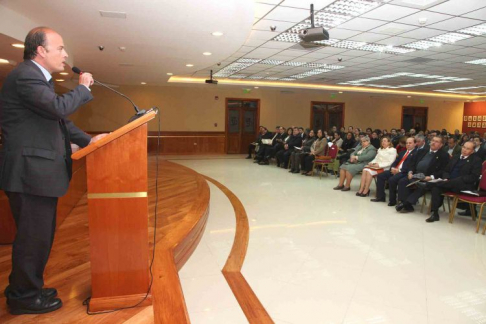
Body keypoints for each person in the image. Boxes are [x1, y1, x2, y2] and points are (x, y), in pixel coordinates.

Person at [0, 27, 107, 315]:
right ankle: (23, 297)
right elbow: (59, 109)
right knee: (33, 239)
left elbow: (55, 123)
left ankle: (27, 287)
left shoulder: (38, 79)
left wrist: (87, 140)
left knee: (37, 238)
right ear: (40, 51)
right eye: (60, 48)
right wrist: (82, 89)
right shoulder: (26, 76)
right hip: (29, 174)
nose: (66, 54)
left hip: (35, 174)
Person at [425, 141, 482, 222]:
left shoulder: (476, 160)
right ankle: (435, 213)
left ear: (472, 151)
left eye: (468, 149)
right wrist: (446, 178)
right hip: (448, 183)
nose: (464, 150)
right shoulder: (456, 156)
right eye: (464, 147)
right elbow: (446, 170)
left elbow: (474, 177)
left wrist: (459, 179)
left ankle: (429, 185)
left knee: (437, 184)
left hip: (463, 184)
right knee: (436, 188)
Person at [395, 136, 449, 213]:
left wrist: (430, 177)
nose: (433, 142)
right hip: (415, 175)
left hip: (428, 177)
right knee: (402, 181)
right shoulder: (422, 151)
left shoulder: (444, 155)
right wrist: (410, 171)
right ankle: (407, 205)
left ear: (441, 145)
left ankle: (406, 203)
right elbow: (412, 163)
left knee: (421, 185)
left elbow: (443, 170)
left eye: (436, 141)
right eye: (432, 140)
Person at [371, 137, 417, 206]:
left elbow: (411, 166)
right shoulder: (402, 152)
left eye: (410, 143)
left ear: (415, 144)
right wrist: (392, 168)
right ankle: (380, 197)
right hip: (395, 170)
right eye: (407, 143)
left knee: (392, 179)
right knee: (380, 176)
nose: (408, 144)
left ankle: (392, 200)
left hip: (404, 172)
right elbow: (395, 162)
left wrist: (399, 170)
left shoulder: (416, 153)